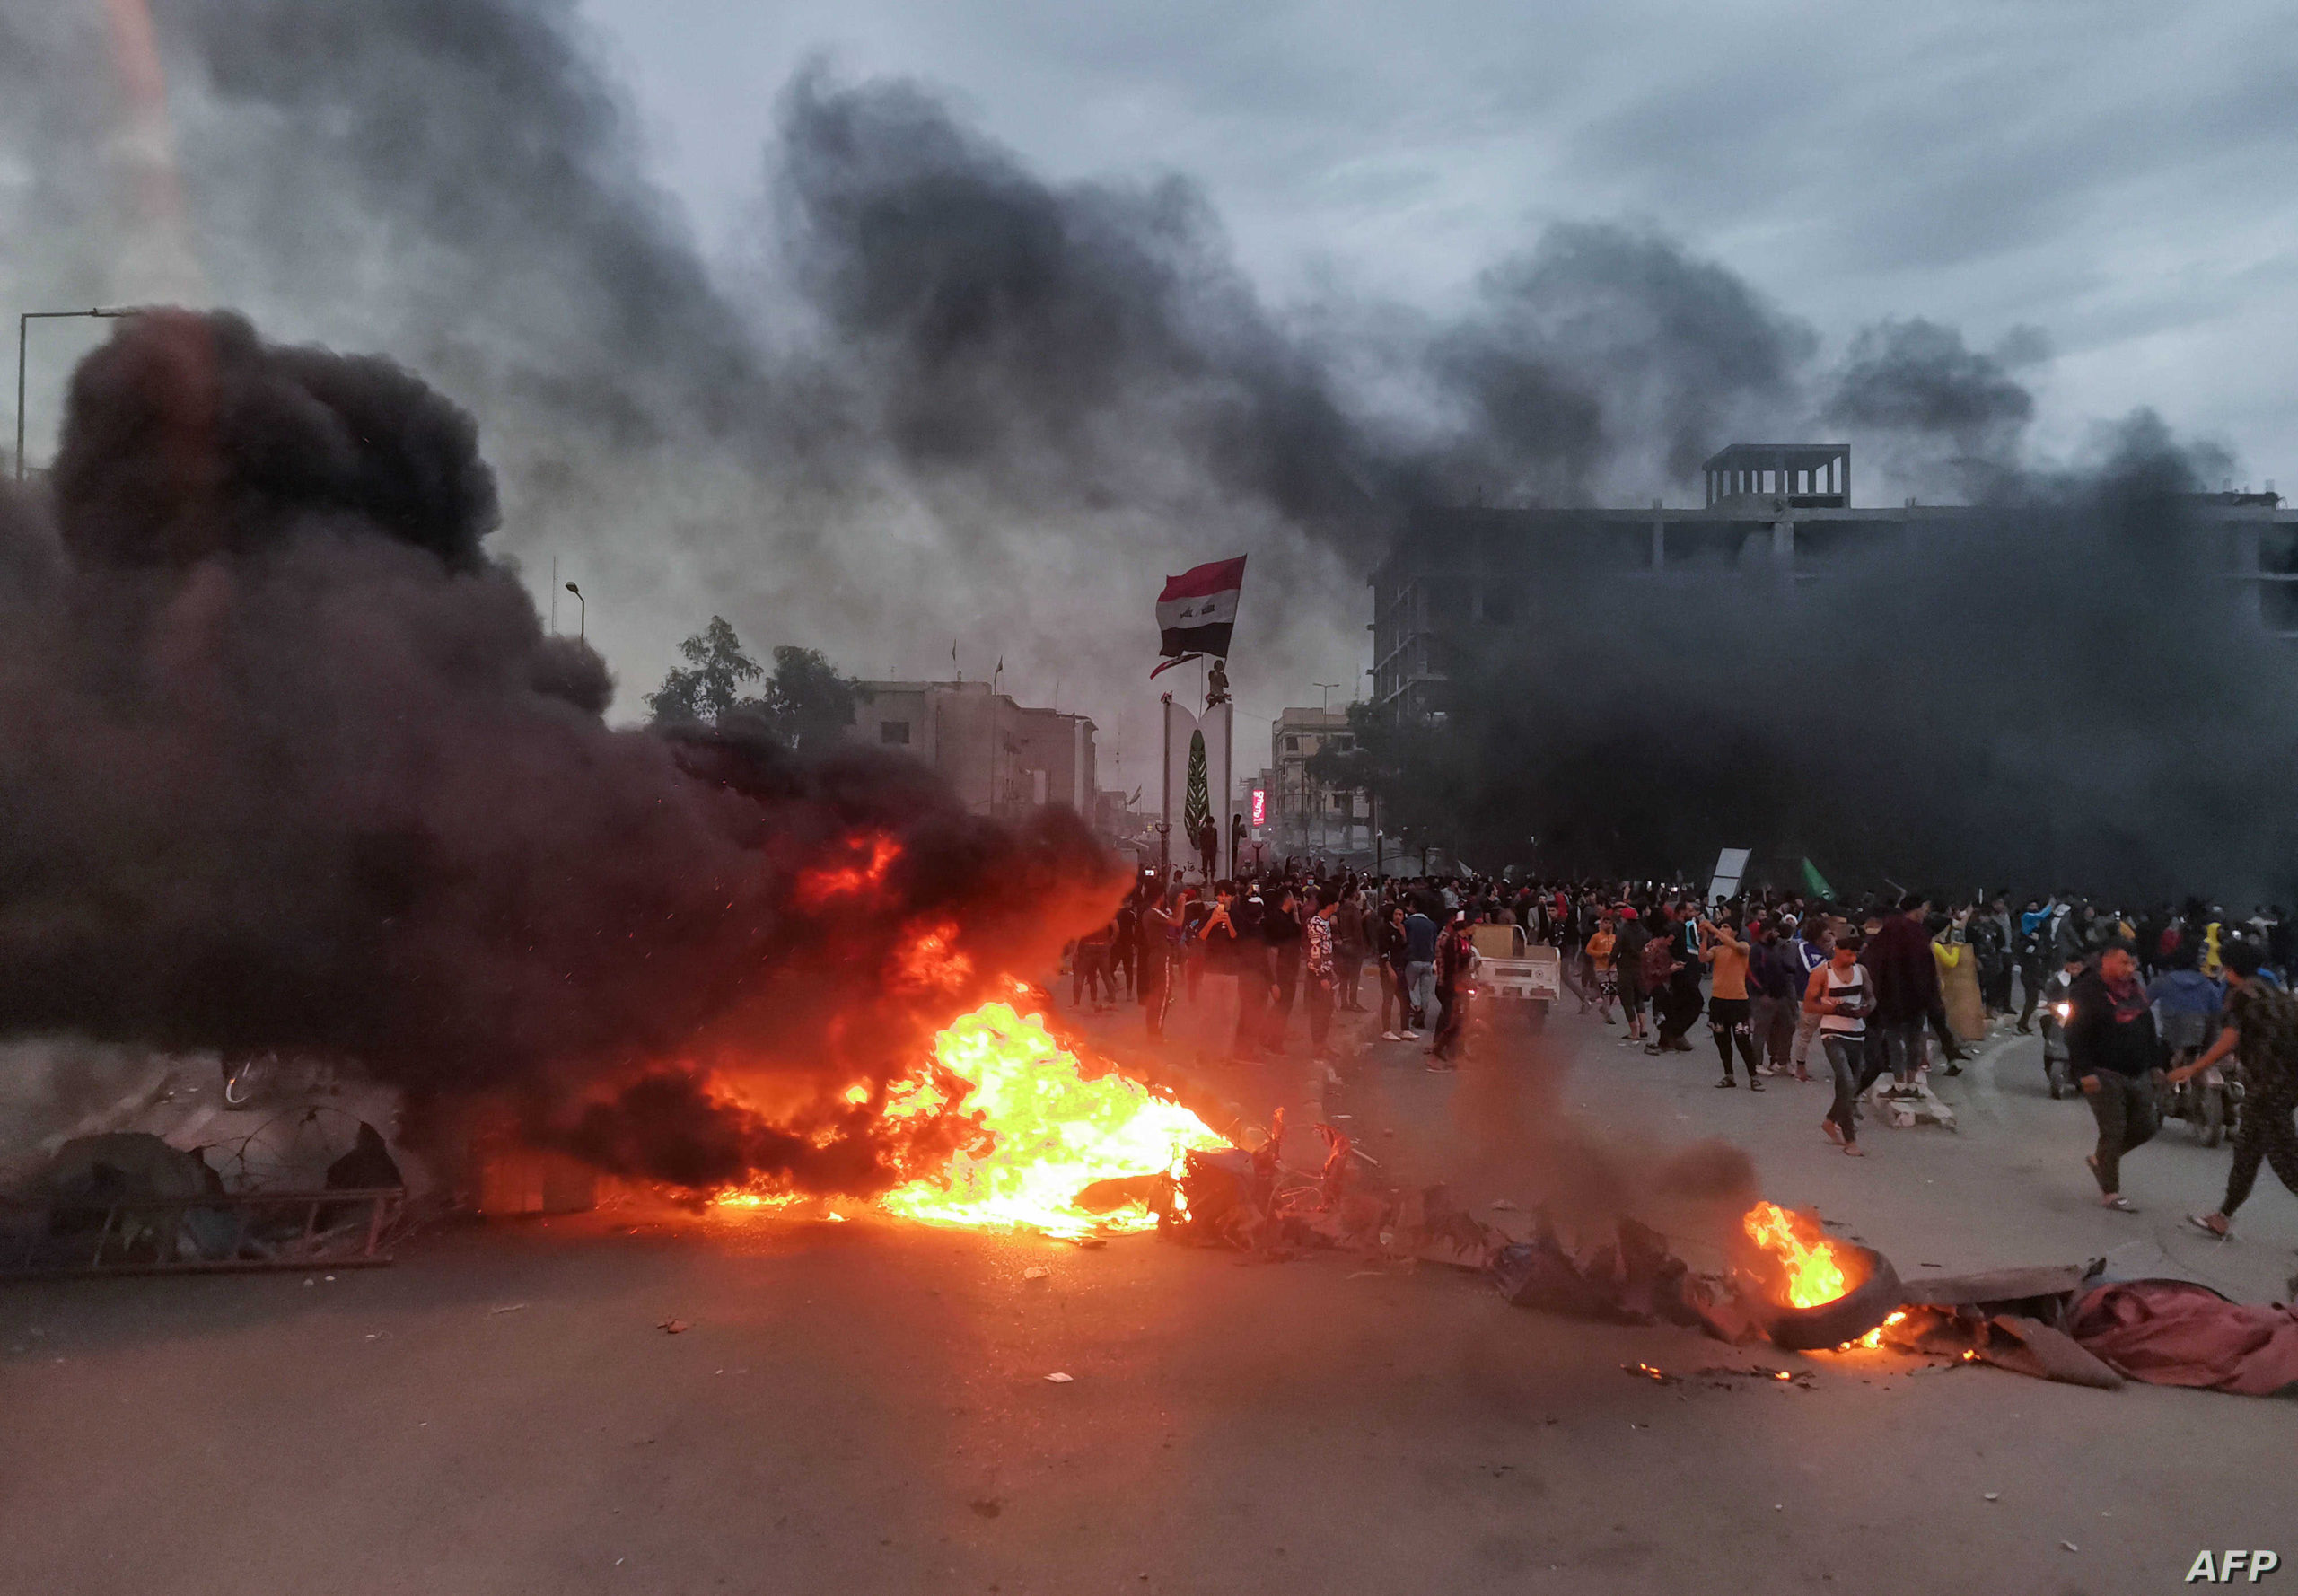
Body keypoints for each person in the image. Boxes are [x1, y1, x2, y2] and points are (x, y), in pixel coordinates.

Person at [2173, 942, 2298, 1239]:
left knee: (2287, 1162)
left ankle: (2224, 1215)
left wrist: (2194, 1067)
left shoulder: (2240, 997)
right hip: (2286, 1084)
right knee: (2247, 1151)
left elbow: (2229, 1039)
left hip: (2267, 1087)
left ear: (2229, 969)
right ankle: (2223, 1217)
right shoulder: (2277, 994)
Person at [2066, 938, 2162, 1212]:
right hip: (2103, 1072)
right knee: (2113, 1131)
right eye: (2123, 962)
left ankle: (2103, 1160)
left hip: (2137, 1071)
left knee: (2148, 1126)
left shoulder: (2134, 990)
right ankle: (2111, 1192)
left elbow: (2147, 1025)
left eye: (2133, 964)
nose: (2129, 969)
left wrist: (2155, 1064)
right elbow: (2075, 1033)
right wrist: (2084, 1071)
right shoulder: (2087, 990)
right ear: (2105, 960)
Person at [1861, 894, 1941, 1092]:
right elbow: (1928, 965)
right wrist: (1932, 994)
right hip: (1916, 995)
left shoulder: (1890, 929)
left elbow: (1875, 960)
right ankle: (1911, 1084)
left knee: (1894, 1039)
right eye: (1923, 909)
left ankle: (1898, 1083)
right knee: (1913, 1040)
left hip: (1892, 994)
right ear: (1915, 909)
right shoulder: (1920, 932)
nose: (1925, 913)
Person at [1806, 930, 1872, 1155]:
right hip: (1832, 1032)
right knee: (1846, 1080)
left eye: (1855, 954)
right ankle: (1850, 1140)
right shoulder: (1821, 973)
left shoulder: (1861, 971)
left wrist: (1865, 1009)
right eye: (1848, 954)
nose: (1852, 958)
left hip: (1857, 1033)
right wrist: (1835, 1009)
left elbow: (1871, 997)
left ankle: (1830, 1120)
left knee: (1849, 1085)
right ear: (1837, 951)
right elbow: (1809, 1005)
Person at [1701, 912, 1764, 1089]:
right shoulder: (1717, 950)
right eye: (1721, 927)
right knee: (1722, 1041)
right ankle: (1729, 1075)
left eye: (1726, 927)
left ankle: (1753, 1076)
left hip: (1738, 1002)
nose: (1722, 929)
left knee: (1742, 1040)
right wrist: (1704, 937)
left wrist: (1713, 929)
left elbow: (1739, 948)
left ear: (1735, 931)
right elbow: (1703, 958)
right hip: (1718, 1001)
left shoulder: (1743, 946)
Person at [1747, 916, 1798, 1076]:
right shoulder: (1757, 950)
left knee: (1789, 1025)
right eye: (1775, 931)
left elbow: (1782, 966)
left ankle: (1782, 1060)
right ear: (1767, 932)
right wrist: (1762, 993)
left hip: (1779, 995)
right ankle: (1756, 1063)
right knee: (1761, 1030)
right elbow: (1751, 974)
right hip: (1763, 997)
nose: (1777, 934)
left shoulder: (1774, 948)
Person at [1429, 911, 1475, 1067]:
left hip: (1458, 987)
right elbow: (1451, 967)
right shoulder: (1452, 941)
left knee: (1458, 1021)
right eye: (1473, 925)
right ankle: (1438, 1053)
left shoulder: (1463, 941)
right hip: (1451, 987)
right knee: (1452, 1022)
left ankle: (1452, 1053)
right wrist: (1458, 985)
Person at [1263, 885, 1305, 1053]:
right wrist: (1273, 980)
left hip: (1290, 969)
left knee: (1285, 1006)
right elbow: (1272, 951)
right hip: (1281, 970)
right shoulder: (1276, 920)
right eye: (1293, 898)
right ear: (1287, 899)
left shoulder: (1289, 918)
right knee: (1282, 1006)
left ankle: (1269, 1035)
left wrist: (1296, 914)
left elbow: (1297, 935)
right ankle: (1273, 1040)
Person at [1303, 889, 1338, 1062]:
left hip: (1327, 970)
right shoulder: (1316, 923)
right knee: (1319, 1012)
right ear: (1330, 904)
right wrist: (1321, 977)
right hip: (1318, 974)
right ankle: (1317, 1046)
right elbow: (1315, 952)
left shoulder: (1326, 922)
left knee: (1327, 1010)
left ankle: (1323, 1042)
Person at [1616, 907, 1653, 1045]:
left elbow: (1617, 948)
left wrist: (1610, 962)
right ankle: (1643, 1029)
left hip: (1626, 969)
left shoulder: (1623, 931)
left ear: (1625, 919)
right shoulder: (1644, 932)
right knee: (1639, 999)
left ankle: (1634, 1032)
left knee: (1627, 1001)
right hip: (1640, 969)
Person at [1403, 900, 1439, 1038]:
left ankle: (1417, 1007)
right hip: (1428, 961)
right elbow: (1434, 943)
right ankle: (1423, 1011)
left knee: (1409, 987)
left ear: (1413, 907)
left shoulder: (1408, 923)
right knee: (1425, 991)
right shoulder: (1432, 924)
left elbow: (1404, 940)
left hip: (1412, 959)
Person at [1378, 903, 1413, 1041]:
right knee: (1388, 999)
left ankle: (1405, 1029)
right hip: (1389, 970)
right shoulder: (1385, 929)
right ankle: (1386, 1030)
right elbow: (1383, 951)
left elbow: (1403, 947)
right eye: (1396, 914)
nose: (1398, 917)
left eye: (1401, 914)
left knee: (1405, 999)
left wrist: (1403, 935)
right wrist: (1389, 969)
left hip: (1400, 968)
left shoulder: (1401, 929)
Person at [1334, 890, 1367, 1013]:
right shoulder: (1354, 909)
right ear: (1353, 894)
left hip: (1342, 945)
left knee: (1343, 976)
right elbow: (1357, 929)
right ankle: (1353, 1002)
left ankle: (1344, 1002)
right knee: (1354, 976)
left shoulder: (1340, 909)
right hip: (1353, 945)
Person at [1586, 913, 1619, 1024]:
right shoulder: (1596, 937)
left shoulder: (1615, 938)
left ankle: (1604, 1008)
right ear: (1601, 924)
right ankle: (1608, 1015)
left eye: (1610, 923)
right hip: (1601, 968)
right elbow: (1589, 950)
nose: (1608, 925)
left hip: (1613, 968)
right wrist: (1601, 954)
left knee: (1613, 992)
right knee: (1606, 992)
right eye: (1605, 922)